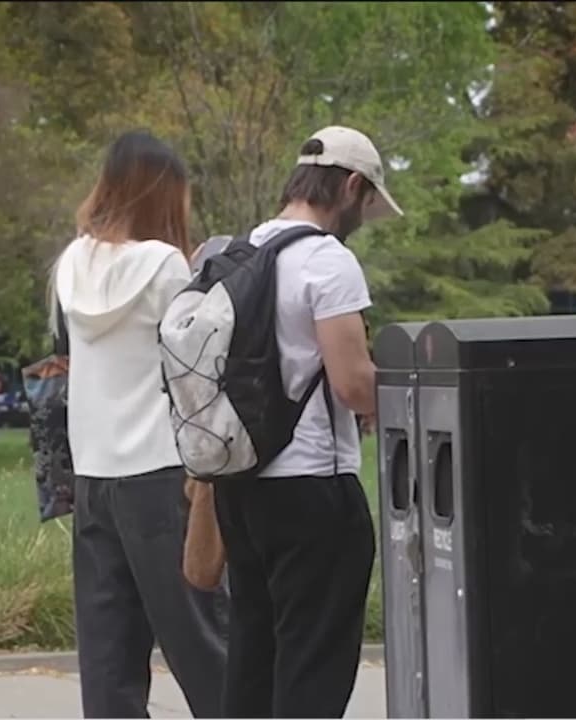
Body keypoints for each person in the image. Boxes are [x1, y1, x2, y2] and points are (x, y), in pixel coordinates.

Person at [212, 126, 395, 718]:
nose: (362, 218)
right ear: (350, 185)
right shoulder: (326, 260)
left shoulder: (235, 254)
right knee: (312, 665)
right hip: (314, 486)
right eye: (366, 204)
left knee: (254, 654)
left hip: (240, 488)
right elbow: (352, 384)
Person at [52, 130, 228, 718]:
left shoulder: (72, 263)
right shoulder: (166, 266)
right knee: (204, 642)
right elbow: (198, 366)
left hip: (94, 474)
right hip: (160, 471)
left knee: (109, 659)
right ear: (162, 196)